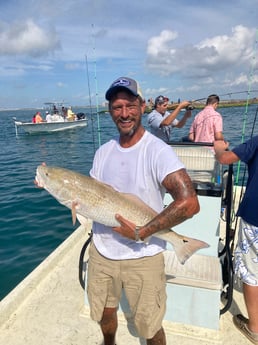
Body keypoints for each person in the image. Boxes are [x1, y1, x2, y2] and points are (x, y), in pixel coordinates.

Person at [87, 76, 200, 345]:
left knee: (149, 326)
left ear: (140, 105)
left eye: (129, 105)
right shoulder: (102, 152)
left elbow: (190, 203)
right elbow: (90, 195)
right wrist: (52, 183)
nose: (124, 114)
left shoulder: (157, 151)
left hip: (144, 255)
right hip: (102, 252)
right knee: (105, 314)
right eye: (117, 107)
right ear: (110, 110)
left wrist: (141, 231)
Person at [214, 138, 258, 344]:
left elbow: (225, 159)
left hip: (255, 217)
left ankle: (254, 328)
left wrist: (220, 148)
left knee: (251, 272)